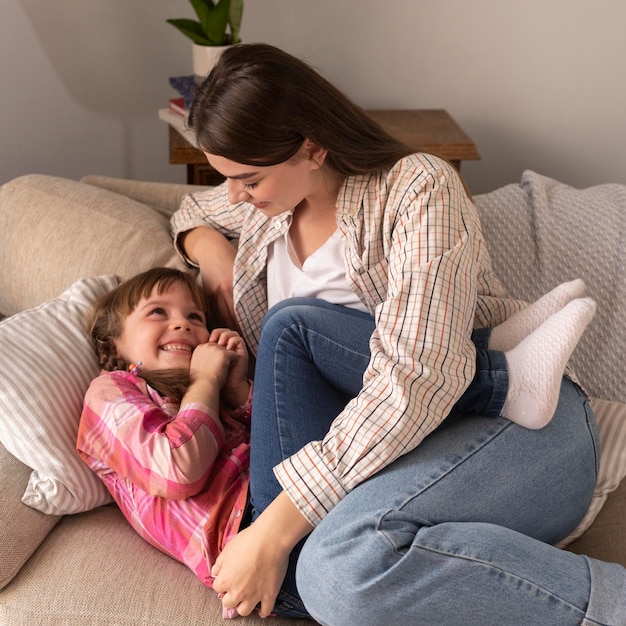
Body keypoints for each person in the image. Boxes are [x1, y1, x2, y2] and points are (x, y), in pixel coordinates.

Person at [172, 43, 624, 624]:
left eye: (247, 179)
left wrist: (275, 529)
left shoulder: (416, 189)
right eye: (224, 176)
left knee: (293, 330)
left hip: (521, 427)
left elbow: (417, 374)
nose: (233, 194)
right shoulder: (268, 208)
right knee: (309, 583)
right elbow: (190, 210)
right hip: (392, 456)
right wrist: (210, 252)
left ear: (312, 147)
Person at [77, 267, 252, 620]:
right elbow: (178, 469)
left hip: (288, 486)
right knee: (289, 329)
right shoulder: (112, 390)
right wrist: (204, 379)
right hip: (242, 532)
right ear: (114, 341)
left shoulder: (213, 392)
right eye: (159, 311)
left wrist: (236, 390)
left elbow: (284, 440)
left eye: (195, 316)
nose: (183, 324)